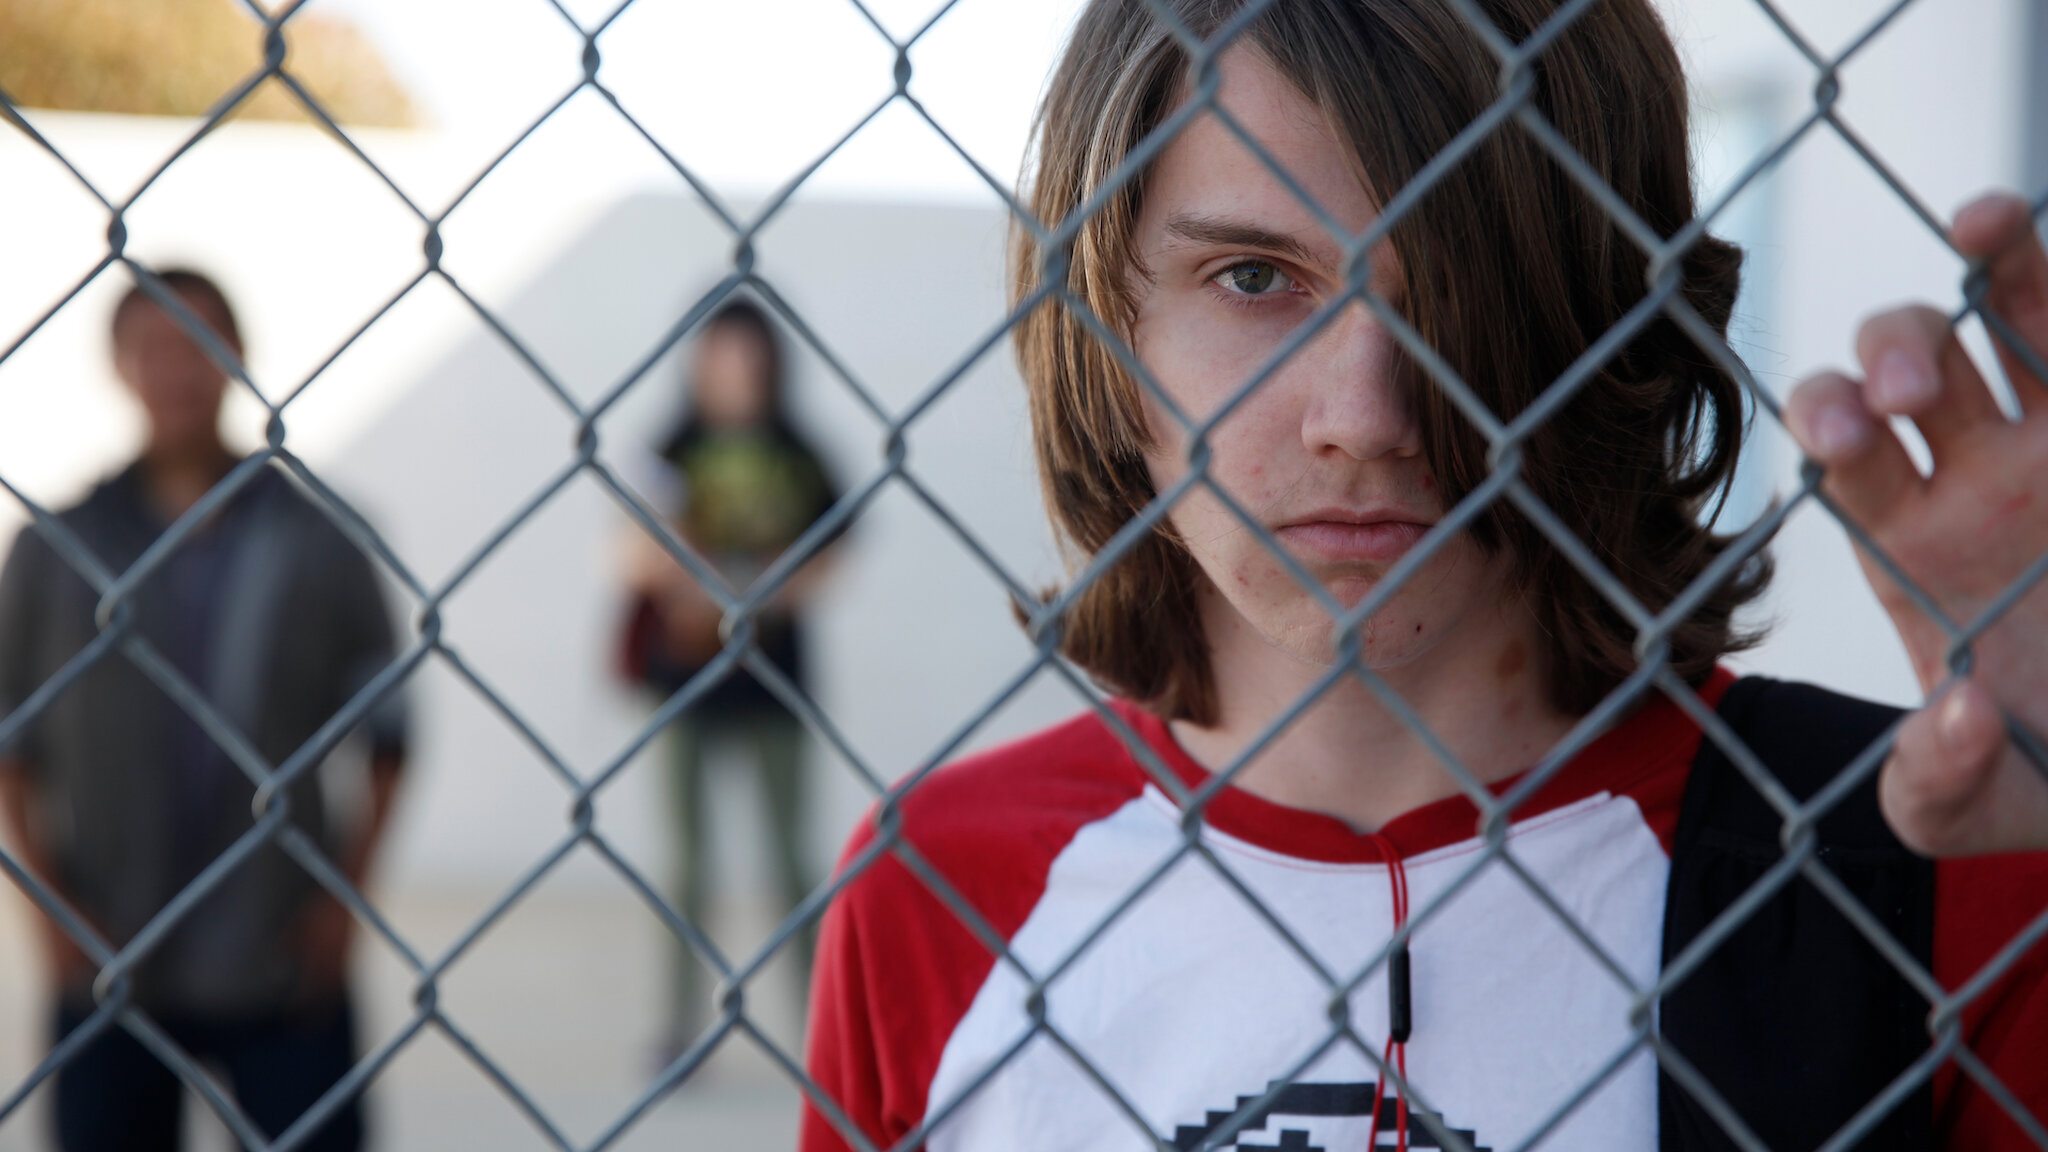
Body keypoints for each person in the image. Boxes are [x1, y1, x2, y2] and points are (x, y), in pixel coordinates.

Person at [799, 1, 2048, 1149]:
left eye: (1464, 287)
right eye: (1252, 278)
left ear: (1616, 318)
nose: (1364, 417)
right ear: (1099, 328)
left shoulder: (1931, 864)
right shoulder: (938, 890)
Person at [0, 270, 406, 1152]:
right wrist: (50, 914)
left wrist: (343, 906)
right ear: (118, 366)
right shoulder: (58, 549)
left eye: (200, 343)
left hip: (279, 948)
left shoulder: (320, 538)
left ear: (238, 356)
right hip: (108, 945)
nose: (178, 369)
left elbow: (392, 733)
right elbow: (10, 747)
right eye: (154, 347)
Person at [617, 297, 839, 1057]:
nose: (737, 371)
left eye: (750, 356)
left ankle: (822, 1026)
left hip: (776, 679)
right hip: (682, 681)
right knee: (687, 863)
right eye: (722, 354)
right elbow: (626, 555)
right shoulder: (670, 450)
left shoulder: (798, 452)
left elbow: (832, 555)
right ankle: (680, 1028)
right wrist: (685, 576)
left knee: (792, 859)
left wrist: (753, 592)